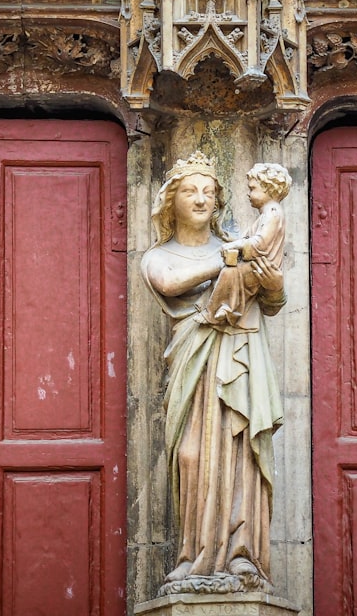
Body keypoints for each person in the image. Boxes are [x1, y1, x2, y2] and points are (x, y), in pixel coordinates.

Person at [141, 151, 286, 595]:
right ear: (172, 201)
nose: (201, 199)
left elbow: (273, 301)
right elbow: (168, 283)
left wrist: (273, 282)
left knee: (240, 452)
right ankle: (196, 557)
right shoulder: (159, 255)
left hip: (241, 356)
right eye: (190, 191)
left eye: (209, 191)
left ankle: (242, 559)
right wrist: (229, 258)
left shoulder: (240, 246)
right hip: (195, 363)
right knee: (192, 456)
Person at [206, 163, 291, 329]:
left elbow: (260, 242)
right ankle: (227, 308)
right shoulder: (267, 215)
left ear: (269, 189)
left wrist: (275, 289)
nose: (248, 194)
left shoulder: (272, 213)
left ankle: (219, 310)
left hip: (259, 267)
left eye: (252, 189)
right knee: (230, 273)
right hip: (256, 266)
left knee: (229, 273)